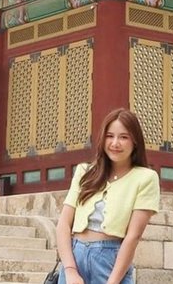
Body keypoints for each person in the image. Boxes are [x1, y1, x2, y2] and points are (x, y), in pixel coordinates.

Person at [56, 108, 160, 284]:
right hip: (74, 258)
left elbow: (132, 237)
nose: (115, 143)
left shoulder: (146, 178)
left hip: (110, 262)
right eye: (110, 136)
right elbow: (63, 225)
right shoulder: (85, 172)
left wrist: (112, 281)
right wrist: (70, 270)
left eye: (124, 137)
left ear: (135, 141)